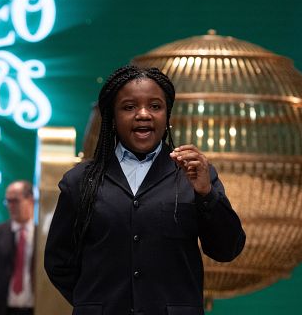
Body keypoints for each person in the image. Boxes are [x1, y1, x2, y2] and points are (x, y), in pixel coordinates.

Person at [44, 65, 246, 315]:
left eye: (155, 106)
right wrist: (94, 303)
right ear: (113, 117)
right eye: (129, 107)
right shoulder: (79, 181)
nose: (143, 114)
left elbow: (227, 249)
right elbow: (58, 262)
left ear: (167, 115)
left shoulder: (195, 175)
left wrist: (207, 194)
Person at [0, 180, 35, 315]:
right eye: (8, 201)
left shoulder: (42, 233)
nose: (11, 206)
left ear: (30, 200)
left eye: (15, 201)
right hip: (5, 307)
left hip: (35, 306)